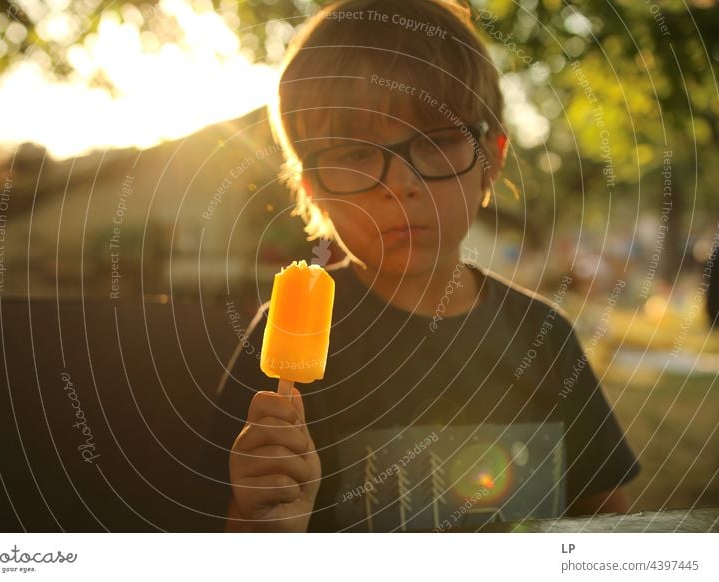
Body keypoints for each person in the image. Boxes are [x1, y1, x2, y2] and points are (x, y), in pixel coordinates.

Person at [199, 0, 640, 532]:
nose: (398, 185)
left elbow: (606, 527)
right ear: (311, 187)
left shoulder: (544, 338)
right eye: (355, 154)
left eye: (434, 142)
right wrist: (265, 526)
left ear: (491, 160)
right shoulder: (277, 350)